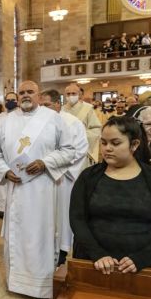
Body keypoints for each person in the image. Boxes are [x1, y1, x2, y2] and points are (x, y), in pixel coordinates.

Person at [0, 81, 74, 299]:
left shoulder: (53, 119)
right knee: (17, 235)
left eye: (30, 92)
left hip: (42, 189)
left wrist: (45, 163)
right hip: (16, 188)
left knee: (40, 237)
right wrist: (5, 171)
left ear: (38, 95)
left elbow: (69, 150)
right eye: (22, 92)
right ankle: (16, 282)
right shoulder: (5, 121)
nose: (25, 96)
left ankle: (40, 287)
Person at [70, 116, 151, 274]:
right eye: (103, 142)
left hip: (144, 265)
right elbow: (78, 219)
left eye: (115, 143)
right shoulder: (88, 177)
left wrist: (143, 258)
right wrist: (98, 254)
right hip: (95, 260)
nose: (107, 148)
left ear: (134, 144)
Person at [40, 89, 89, 266]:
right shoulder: (37, 123)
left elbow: (80, 150)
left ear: (57, 104)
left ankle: (61, 250)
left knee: (61, 215)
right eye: (41, 105)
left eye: (47, 105)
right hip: (41, 177)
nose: (43, 108)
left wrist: (57, 169)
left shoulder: (72, 122)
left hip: (62, 178)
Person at [0, 92, 19, 219]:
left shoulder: (20, 116)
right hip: (1, 154)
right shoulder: (0, 117)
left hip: (15, 153)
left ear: (17, 101)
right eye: (8, 100)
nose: (10, 102)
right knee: (2, 184)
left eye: (13, 100)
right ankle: (1, 209)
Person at [63, 83, 102, 164]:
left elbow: (96, 128)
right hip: (65, 149)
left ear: (79, 95)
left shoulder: (87, 109)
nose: (71, 96)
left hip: (82, 149)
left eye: (73, 93)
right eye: (68, 94)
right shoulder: (62, 110)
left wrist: (79, 137)